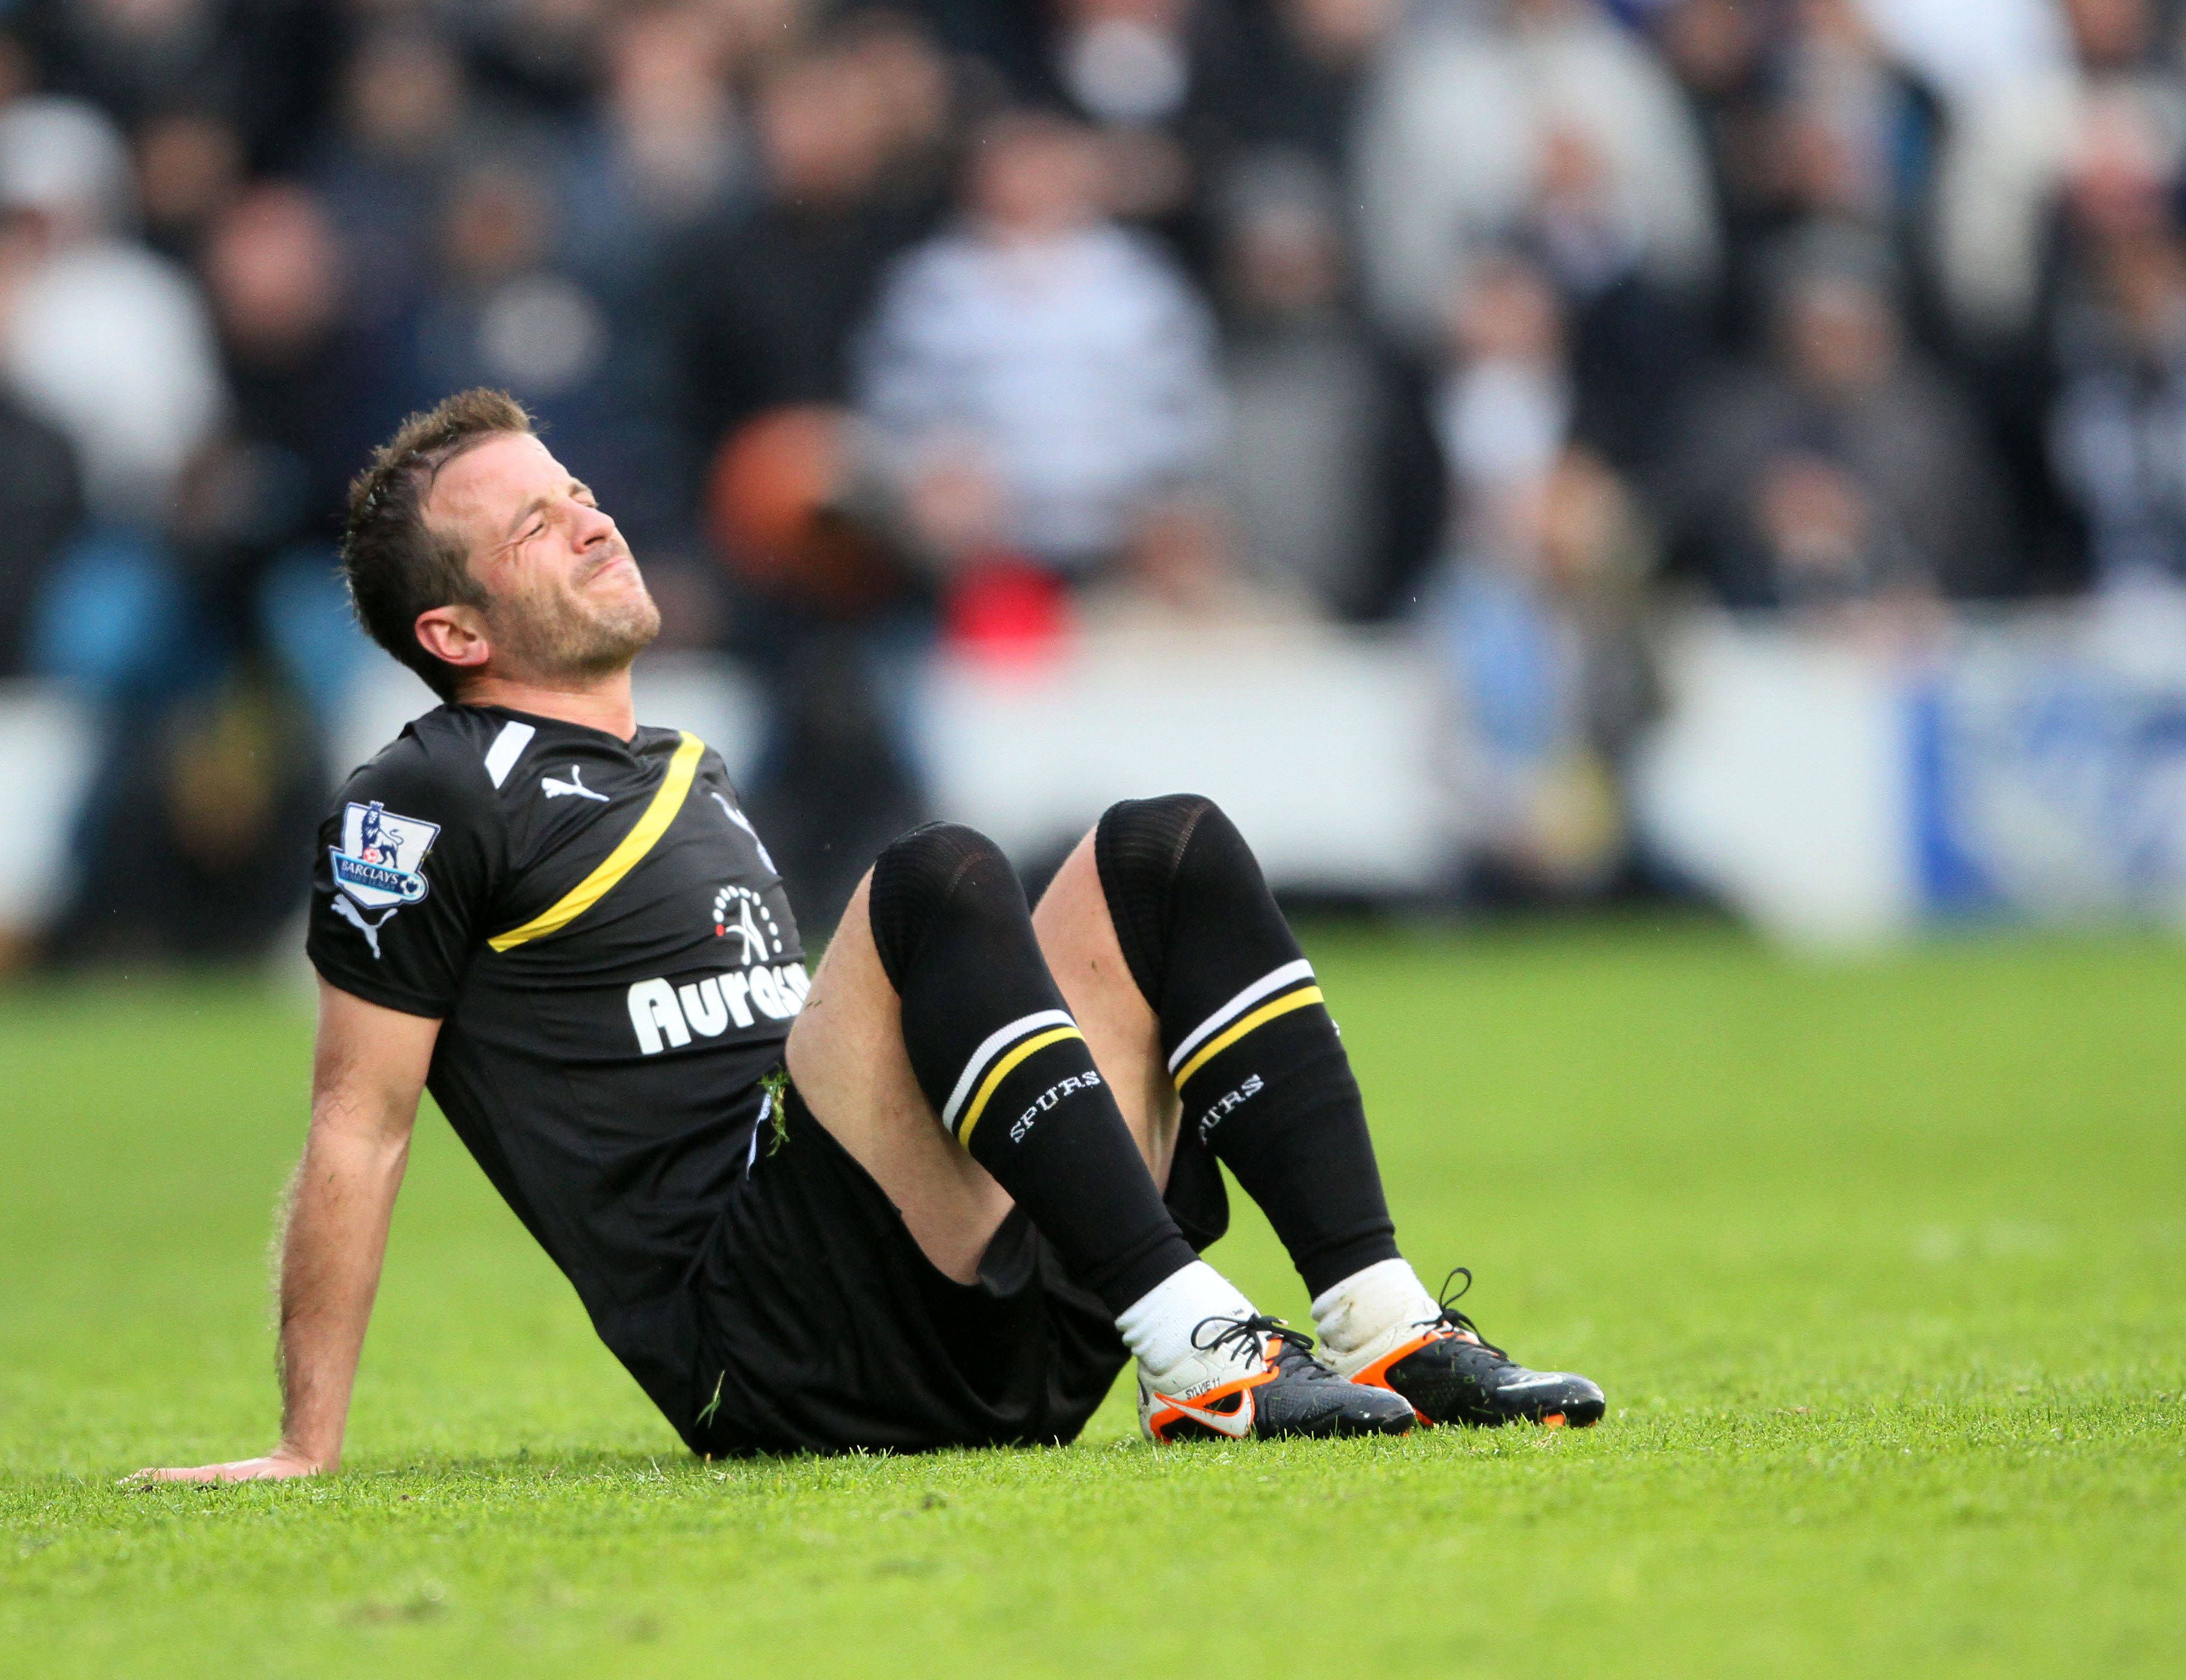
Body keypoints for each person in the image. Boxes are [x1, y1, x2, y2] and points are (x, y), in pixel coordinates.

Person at [130, 389, 1603, 1478]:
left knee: (1168, 848)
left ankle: (1378, 1317)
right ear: (455, 633)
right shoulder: (427, 792)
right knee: (933, 876)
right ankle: (1200, 1348)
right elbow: (358, 1119)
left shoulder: (684, 767)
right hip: (768, 1358)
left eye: (577, 486)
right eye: (532, 521)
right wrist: (301, 1445)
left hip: (974, 1324)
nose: (589, 513)